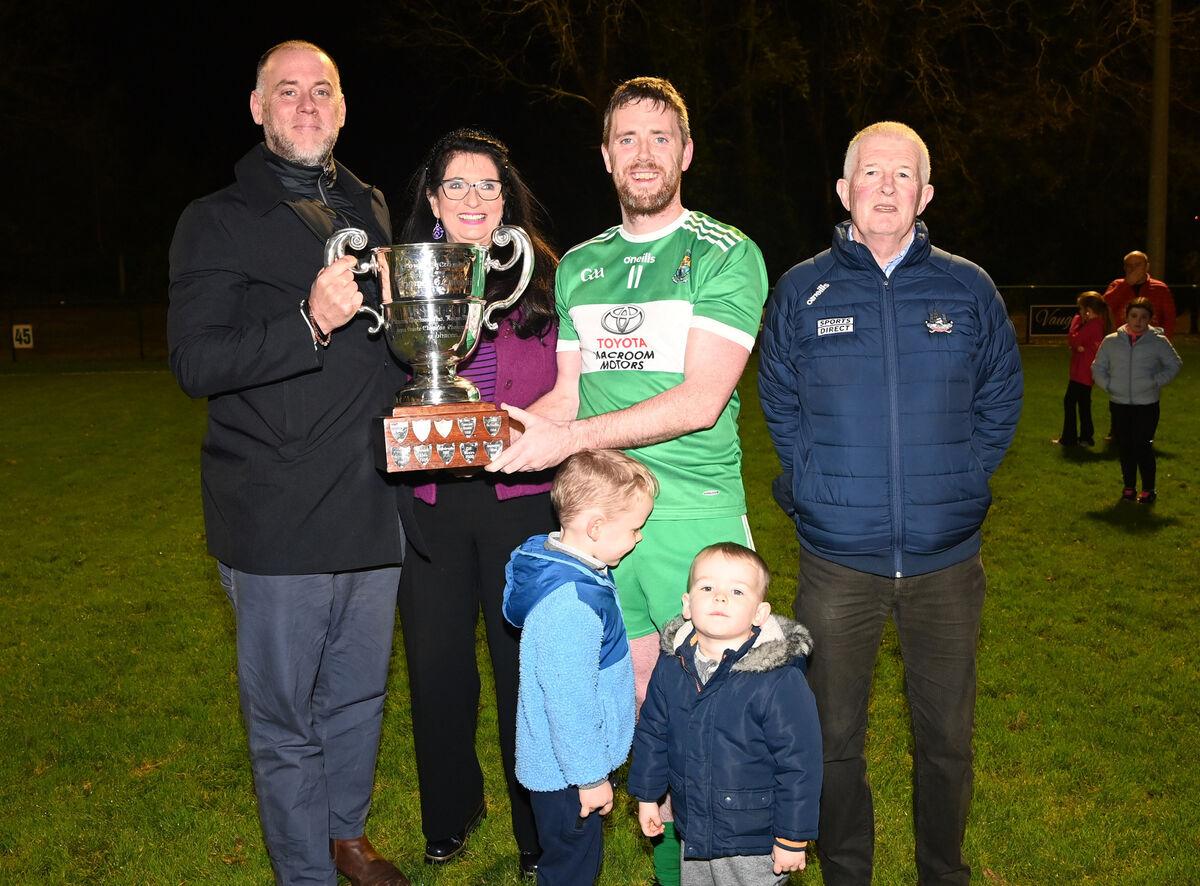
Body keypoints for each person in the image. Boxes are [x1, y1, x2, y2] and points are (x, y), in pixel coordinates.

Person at [486, 77, 769, 884]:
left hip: (691, 521)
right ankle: (668, 866)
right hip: (602, 533)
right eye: (626, 139)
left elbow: (700, 399)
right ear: (606, 156)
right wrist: (480, 428)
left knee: (708, 724)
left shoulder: (725, 252)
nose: (643, 154)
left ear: (684, 151)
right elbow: (566, 399)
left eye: (659, 137)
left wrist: (568, 438)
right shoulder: (579, 265)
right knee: (641, 712)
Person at [168, 41, 416, 886]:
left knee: (357, 696)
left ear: (343, 108)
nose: (306, 105)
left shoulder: (371, 204)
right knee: (284, 719)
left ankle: (344, 834)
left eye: (322, 91)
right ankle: (303, 870)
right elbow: (195, 362)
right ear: (258, 108)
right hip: (274, 512)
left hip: (372, 500)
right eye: (288, 92)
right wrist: (307, 322)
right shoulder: (216, 217)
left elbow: (389, 347)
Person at [758, 121, 1023, 886]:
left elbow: (1002, 397)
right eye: (870, 173)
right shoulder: (803, 288)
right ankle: (848, 872)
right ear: (843, 191)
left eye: (902, 175)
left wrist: (966, 477)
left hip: (947, 563)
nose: (885, 187)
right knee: (833, 738)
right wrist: (810, 480)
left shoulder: (967, 287)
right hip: (837, 562)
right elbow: (778, 399)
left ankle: (944, 872)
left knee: (947, 740)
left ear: (925, 193)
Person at [392, 128, 559, 880]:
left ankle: (535, 828)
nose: (473, 199)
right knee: (436, 667)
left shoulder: (543, 277)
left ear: (506, 197)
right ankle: (450, 809)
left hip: (519, 498)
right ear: (432, 199)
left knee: (522, 665)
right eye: (456, 185)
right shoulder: (403, 278)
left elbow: (572, 384)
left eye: (488, 185)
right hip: (431, 499)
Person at [501, 450, 658, 886]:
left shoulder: (569, 567)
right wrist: (589, 779)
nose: (639, 538)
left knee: (573, 857)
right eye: (634, 528)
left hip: (565, 765)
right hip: (566, 773)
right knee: (572, 866)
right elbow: (569, 701)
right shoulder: (570, 605)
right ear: (595, 527)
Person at [627, 543, 822, 886]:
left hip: (755, 840)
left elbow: (800, 763)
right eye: (707, 587)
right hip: (695, 830)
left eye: (736, 590)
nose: (720, 598)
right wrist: (648, 797)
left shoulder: (777, 680)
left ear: (760, 614)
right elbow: (652, 734)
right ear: (687, 605)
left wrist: (792, 837)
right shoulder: (673, 666)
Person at [1091, 296, 1182, 503]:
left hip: (1147, 405)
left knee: (1142, 445)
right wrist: (1110, 386)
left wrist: (1155, 381)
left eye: (1143, 317)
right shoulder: (1112, 341)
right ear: (1127, 316)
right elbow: (1098, 367)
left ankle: (1148, 490)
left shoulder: (1158, 342)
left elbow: (1174, 364)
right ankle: (1129, 488)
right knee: (1125, 447)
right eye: (1134, 316)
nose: (1138, 321)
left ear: (1150, 319)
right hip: (1120, 403)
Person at [1052, 291, 1107, 446]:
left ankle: (1070, 438)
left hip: (1082, 372)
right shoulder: (1096, 324)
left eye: (1081, 309)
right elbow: (1077, 344)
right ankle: (1086, 437)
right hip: (1085, 372)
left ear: (1088, 310)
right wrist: (1077, 346)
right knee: (1083, 404)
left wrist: (1076, 322)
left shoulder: (1091, 325)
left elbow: (1074, 340)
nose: (1079, 313)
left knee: (1070, 402)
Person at [1103, 250, 1175, 340]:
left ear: (1147, 267)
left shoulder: (1160, 288)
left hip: (1151, 340)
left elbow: (1169, 320)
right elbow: (1104, 306)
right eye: (1129, 265)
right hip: (1122, 339)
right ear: (1124, 268)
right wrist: (1126, 284)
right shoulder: (1117, 285)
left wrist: (1162, 341)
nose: (1133, 269)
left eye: (1137, 265)